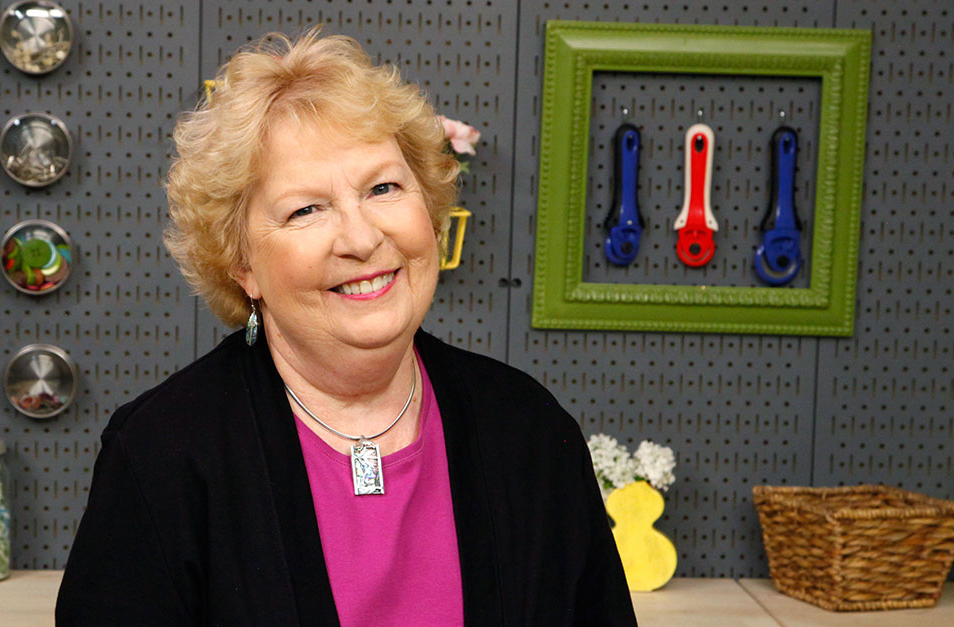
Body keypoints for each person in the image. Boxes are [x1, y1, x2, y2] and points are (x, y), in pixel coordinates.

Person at [56, 28, 636, 626]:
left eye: (383, 188)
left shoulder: (530, 432)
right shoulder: (161, 455)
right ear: (242, 264)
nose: (361, 238)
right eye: (306, 209)